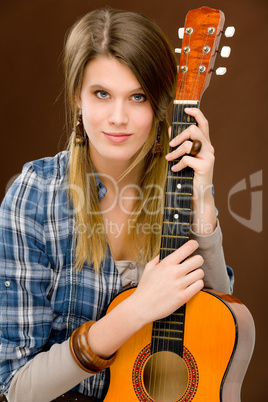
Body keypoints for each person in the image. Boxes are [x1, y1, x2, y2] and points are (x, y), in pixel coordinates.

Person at [0, 8, 233, 402]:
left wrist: (202, 198)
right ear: (77, 97)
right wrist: (135, 311)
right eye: (102, 94)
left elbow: (221, 329)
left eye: (138, 96)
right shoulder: (34, 196)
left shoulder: (177, 190)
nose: (119, 118)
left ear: (160, 103)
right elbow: (16, 388)